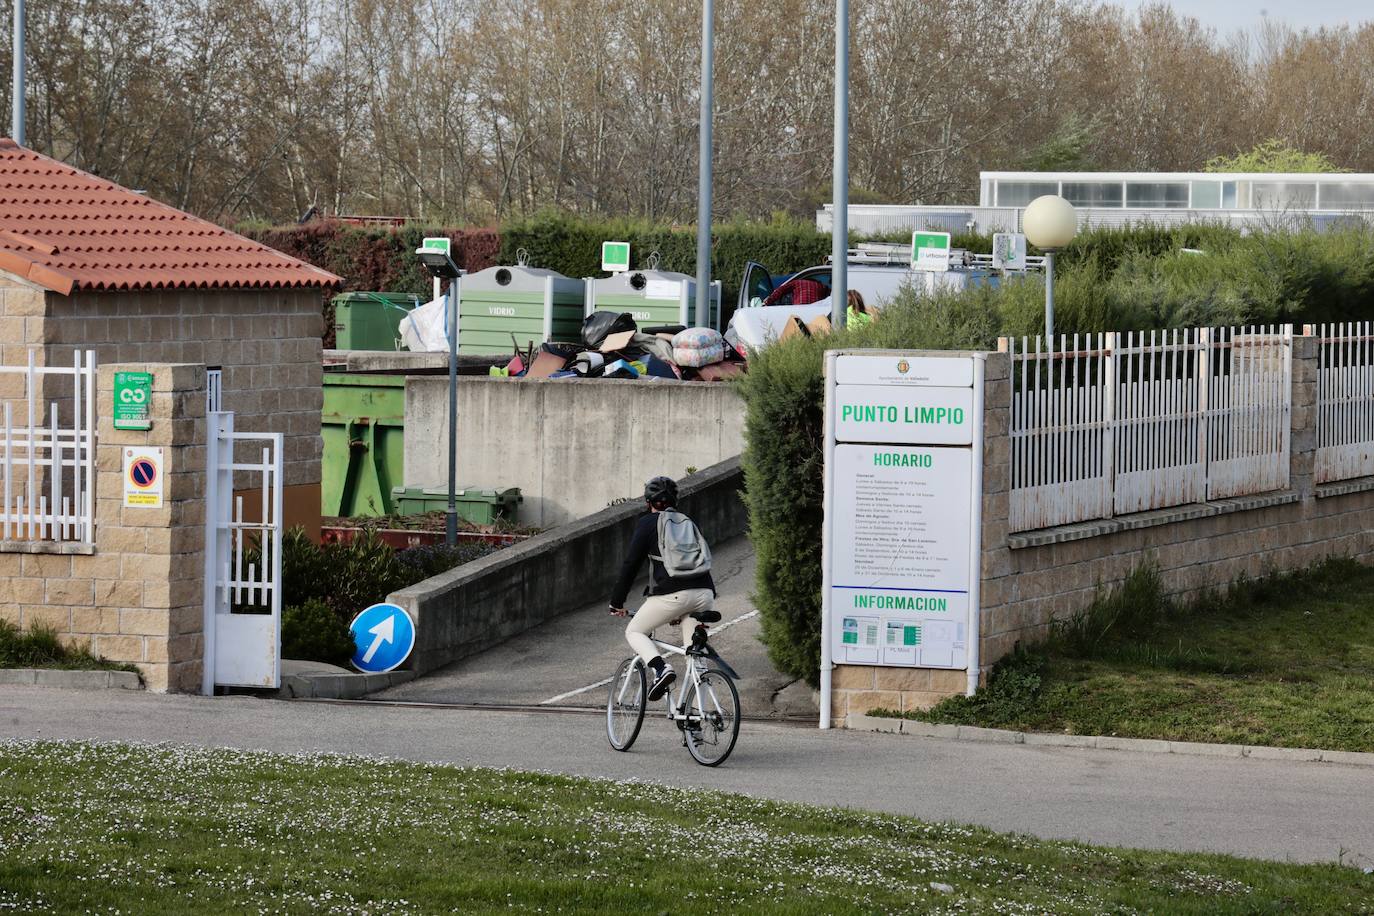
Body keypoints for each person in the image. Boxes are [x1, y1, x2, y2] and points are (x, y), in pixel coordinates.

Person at [609, 476, 716, 701]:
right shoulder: (688, 521)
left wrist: (617, 602)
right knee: (696, 659)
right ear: (674, 501)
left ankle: (660, 669)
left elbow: (631, 564)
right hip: (705, 592)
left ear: (648, 502)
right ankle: (697, 722)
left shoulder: (647, 523)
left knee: (634, 631)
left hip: (673, 595)